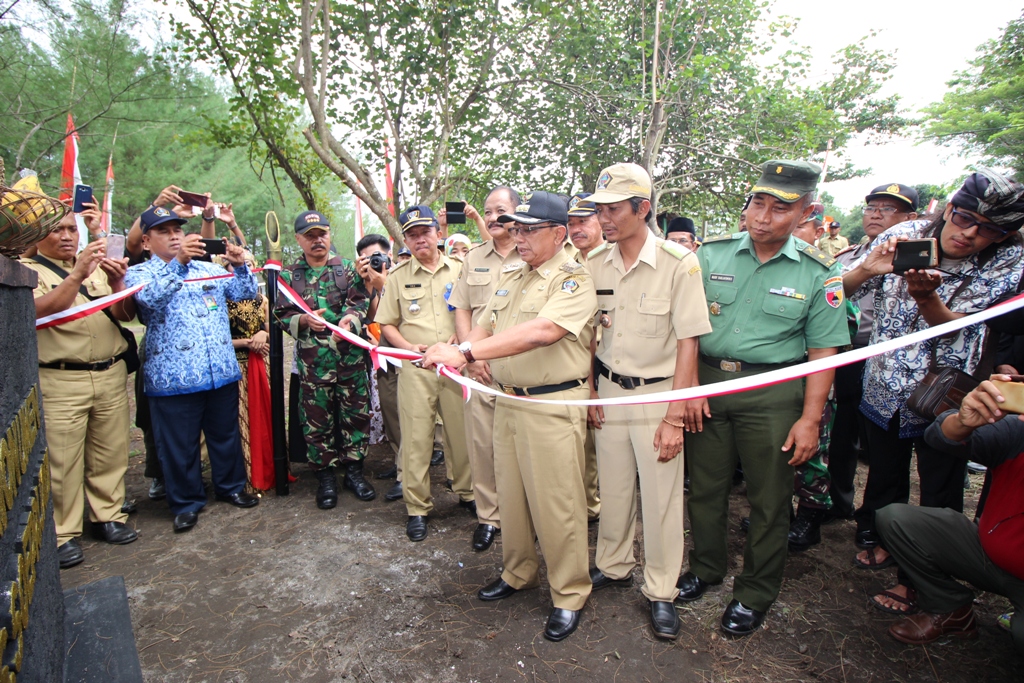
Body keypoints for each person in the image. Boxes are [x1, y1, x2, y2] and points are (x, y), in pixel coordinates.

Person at [841, 168, 1024, 614]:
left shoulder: (1009, 261)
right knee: (884, 474)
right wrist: (868, 267)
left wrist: (925, 298)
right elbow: (835, 290)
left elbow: (958, 325)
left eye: (989, 230)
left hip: (948, 393)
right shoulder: (906, 232)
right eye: (963, 218)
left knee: (941, 486)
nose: (970, 234)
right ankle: (885, 539)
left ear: (1002, 236)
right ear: (948, 208)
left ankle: (916, 581)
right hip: (883, 380)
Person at [680, 160, 849, 636]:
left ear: (806, 213)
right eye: (758, 203)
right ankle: (706, 568)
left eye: (780, 208)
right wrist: (689, 388)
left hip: (774, 392)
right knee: (706, 488)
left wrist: (810, 419)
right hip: (709, 385)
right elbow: (688, 331)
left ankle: (754, 592)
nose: (763, 216)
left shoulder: (819, 272)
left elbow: (823, 351)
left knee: (770, 500)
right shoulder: (709, 256)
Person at [422, 190, 596, 642]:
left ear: (558, 234)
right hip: (508, 399)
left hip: (552, 405)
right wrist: (459, 348)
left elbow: (542, 332)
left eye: (529, 230)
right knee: (512, 498)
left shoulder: (574, 279)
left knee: (558, 505)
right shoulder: (515, 274)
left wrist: (464, 351)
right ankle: (518, 572)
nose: (518, 237)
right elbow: (486, 324)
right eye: (516, 228)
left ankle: (570, 592)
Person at [584, 163, 711, 640]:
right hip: (610, 394)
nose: (605, 218)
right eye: (600, 210)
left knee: (660, 498)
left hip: (660, 395)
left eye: (614, 209)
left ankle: (661, 590)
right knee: (614, 489)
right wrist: (594, 392)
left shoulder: (679, 264)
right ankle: (614, 564)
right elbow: (590, 337)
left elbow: (688, 343)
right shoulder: (595, 263)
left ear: (643, 208)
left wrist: (676, 415)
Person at [124, 206, 259, 532]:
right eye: (164, 232)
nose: (174, 236)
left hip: (219, 372)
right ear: (146, 241)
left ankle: (231, 487)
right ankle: (185, 503)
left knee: (225, 437)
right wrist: (179, 264)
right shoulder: (140, 273)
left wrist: (240, 268)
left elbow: (245, 294)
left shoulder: (205, 268)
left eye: (177, 230)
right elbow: (149, 301)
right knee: (179, 445)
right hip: (174, 378)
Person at [24, 203, 138, 569]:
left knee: (111, 450)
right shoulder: (27, 271)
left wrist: (118, 280)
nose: (67, 235)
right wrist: (76, 275)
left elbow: (124, 313)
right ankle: (63, 533)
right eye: (57, 229)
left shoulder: (96, 271)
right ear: (38, 235)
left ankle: (108, 515)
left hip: (108, 372)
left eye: (72, 229)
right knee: (62, 457)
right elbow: (39, 311)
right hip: (60, 376)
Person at [875, 377, 1024, 651]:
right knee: (897, 520)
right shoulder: (1018, 432)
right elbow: (940, 437)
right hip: (989, 555)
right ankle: (950, 607)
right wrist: (962, 421)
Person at [376, 206, 475, 542]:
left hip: (454, 366)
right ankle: (417, 507)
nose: (420, 239)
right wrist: (407, 346)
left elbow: (475, 311)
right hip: (416, 367)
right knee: (417, 438)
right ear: (405, 240)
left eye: (425, 232)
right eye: (412, 234)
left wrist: (461, 340)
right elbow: (385, 322)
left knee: (461, 434)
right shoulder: (398, 277)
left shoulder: (461, 270)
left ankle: (467, 493)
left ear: (438, 233)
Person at [827, 183, 919, 524]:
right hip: (845, 354)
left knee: (882, 446)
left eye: (888, 209)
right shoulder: (848, 257)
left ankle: (881, 520)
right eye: (872, 208)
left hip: (887, 360)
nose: (877, 214)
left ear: (911, 219)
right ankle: (836, 501)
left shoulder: (914, 258)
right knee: (839, 433)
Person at [275, 211, 375, 508]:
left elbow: (361, 302)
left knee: (356, 415)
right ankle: (326, 476)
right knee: (316, 420)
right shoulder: (288, 277)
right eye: (310, 235)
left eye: (322, 234)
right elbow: (281, 314)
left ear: (329, 235)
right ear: (298, 239)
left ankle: (354, 472)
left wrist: (350, 320)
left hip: (350, 361)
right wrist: (304, 321)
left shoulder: (348, 269)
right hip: (313, 364)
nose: (317, 240)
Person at [449, 186, 522, 551]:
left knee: (523, 447)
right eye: (488, 212)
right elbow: (461, 307)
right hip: (479, 369)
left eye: (500, 210)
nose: (493, 218)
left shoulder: (533, 253)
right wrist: (470, 357)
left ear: (517, 213)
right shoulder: (473, 257)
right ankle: (489, 517)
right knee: (482, 445)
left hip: (523, 370)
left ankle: (523, 517)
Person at [222, 252, 276, 494]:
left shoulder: (263, 300)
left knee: (264, 413)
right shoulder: (219, 300)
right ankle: (243, 473)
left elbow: (270, 328)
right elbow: (217, 338)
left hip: (260, 363)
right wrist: (245, 342)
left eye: (248, 266)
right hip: (233, 365)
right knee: (237, 418)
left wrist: (264, 335)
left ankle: (269, 465)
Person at [355, 235, 403, 496]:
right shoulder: (368, 282)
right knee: (390, 411)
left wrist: (386, 284)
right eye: (367, 258)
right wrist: (368, 285)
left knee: (410, 415)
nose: (374, 262)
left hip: (409, 353)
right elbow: (375, 315)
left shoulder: (405, 273)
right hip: (386, 355)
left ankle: (409, 475)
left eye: (378, 256)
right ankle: (400, 464)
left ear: (389, 255)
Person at [566, 191, 603, 522]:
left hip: (617, 364)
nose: (576, 228)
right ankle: (587, 506)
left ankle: (596, 505)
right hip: (581, 363)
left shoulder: (614, 260)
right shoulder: (566, 266)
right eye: (571, 222)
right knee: (582, 444)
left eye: (584, 221)